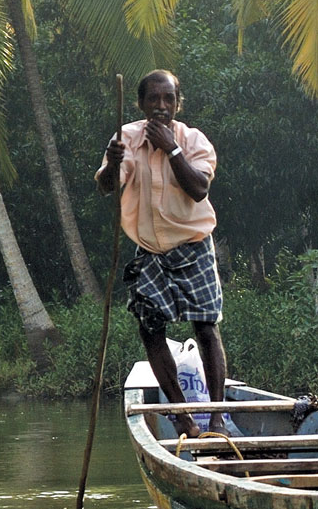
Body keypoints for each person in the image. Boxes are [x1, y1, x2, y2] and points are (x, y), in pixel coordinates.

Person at [96, 70, 227, 438]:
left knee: (205, 328)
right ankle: (182, 417)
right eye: (153, 99)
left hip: (194, 246)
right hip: (150, 250)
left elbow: (199, 189)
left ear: (177, 104)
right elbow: (107, 186)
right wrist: (112, 161)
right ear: (141, 104)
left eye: (168, 99)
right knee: (150, 330)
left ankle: (216, 419)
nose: (160, 107)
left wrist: (171, 148)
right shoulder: (127, 137)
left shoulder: (193, 140)